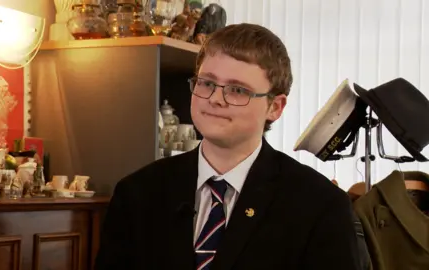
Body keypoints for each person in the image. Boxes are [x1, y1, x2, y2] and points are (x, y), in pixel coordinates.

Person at [95, 23, 361, 270]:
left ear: (275, 107)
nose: (215, 99)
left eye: (237, 90)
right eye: (207, 83)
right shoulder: (137, 193)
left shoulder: (319, 205)